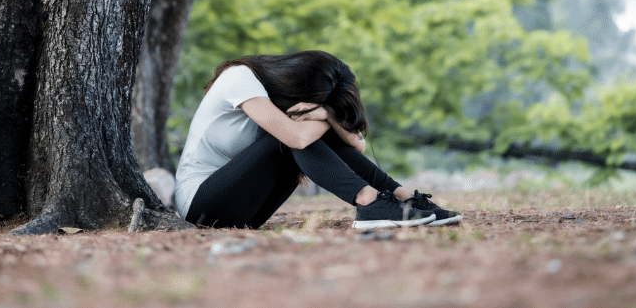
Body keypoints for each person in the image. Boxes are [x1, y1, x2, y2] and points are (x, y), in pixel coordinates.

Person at [173, 50, 462, 229]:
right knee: (288, 140)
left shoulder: (284, 104)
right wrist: (328, 118)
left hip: (247, 213)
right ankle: (369, 202)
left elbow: (356, 145)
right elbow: (297, 139)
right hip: (201, 204)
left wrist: (329, 113)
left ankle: (405, 200)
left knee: (316, 138)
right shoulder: (239, 78)